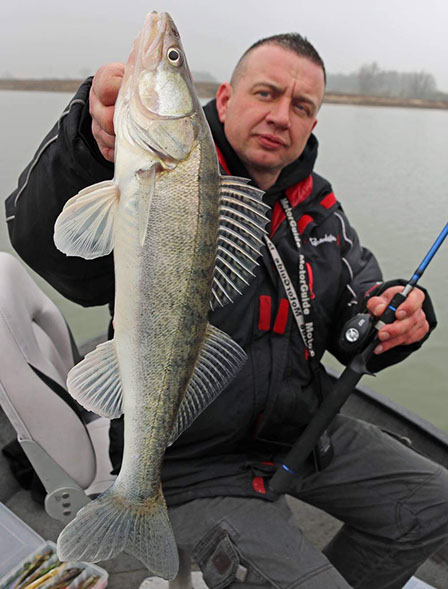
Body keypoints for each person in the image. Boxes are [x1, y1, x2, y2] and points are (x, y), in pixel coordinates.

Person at [5, 32, 448, 589]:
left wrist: (397, 317)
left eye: (301, 106)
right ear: (224, 98)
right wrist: (87, 145)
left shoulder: (319, 206)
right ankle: (145, 498)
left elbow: (355, 307)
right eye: (266, 93)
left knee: (435, 503)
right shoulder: (151, 173)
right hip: (191, 459)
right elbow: (46, 242)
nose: (281, 115)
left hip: (300, 433)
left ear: (313, 122)